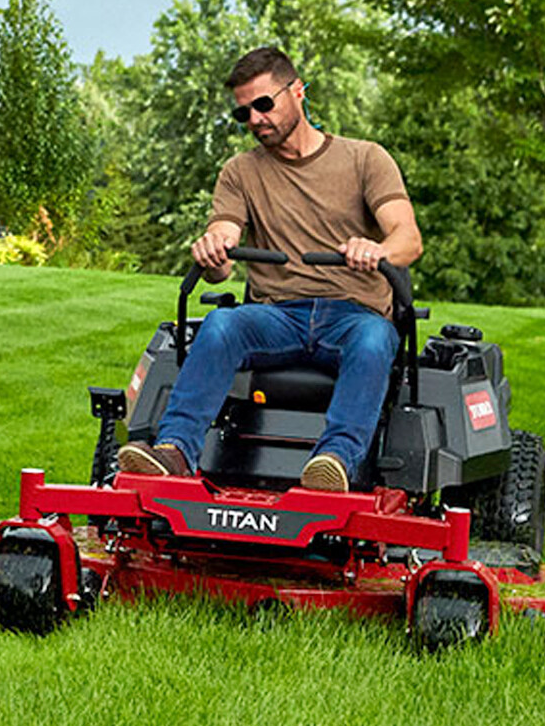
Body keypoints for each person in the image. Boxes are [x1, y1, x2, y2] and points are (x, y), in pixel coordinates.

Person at [117, 46, 422, 493]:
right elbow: (223, 241)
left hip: (353, 315)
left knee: (376, 338)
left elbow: (407, 238)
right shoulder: (240, 172)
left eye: (264, 104)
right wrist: (214, 250)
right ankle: (175, 451)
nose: (256, 119)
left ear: (298, 91)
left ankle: (334, 461)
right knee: (221, 325)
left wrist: (375, 249)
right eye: (244, 113)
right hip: (277, 315)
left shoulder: (365, 159)